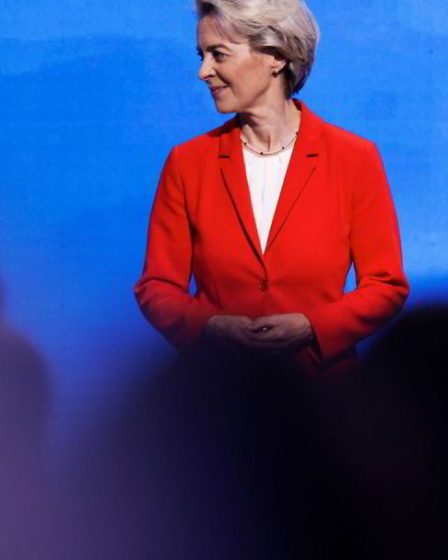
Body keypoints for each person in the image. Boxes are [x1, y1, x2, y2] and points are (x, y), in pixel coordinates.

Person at [133, 0, 409, 378]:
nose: (203, 71)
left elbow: (386, 286)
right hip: (219, 392)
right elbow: (157, 286)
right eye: (202, 55)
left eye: (218, 54)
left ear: (275, 56)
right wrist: (209, 325)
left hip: (323, 395)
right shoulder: (187, 162)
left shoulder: (354, 158)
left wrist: (313, 326)